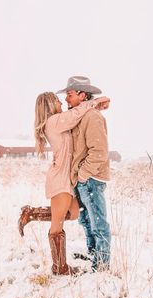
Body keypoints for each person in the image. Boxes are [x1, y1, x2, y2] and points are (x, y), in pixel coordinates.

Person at [18, 91, 110, 275]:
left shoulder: (59, 120)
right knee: (57, 224)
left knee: (73, 213)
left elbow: (78, 117)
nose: (61, 101)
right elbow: (76, 113)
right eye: (57, 100)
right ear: (49, 105)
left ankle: (32, 213)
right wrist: (96, 102)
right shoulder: (54, 121)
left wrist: (93, 107)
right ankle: (60, 267)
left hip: (66, 177)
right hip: (60, 177)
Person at [57, 76, 111, 272]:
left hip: (91, 179)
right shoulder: (80, 115)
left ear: (82, 95)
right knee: (87, 220)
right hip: (82, 180)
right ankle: (93, 255)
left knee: (98, 222)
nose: (66, 99)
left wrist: (83, 175)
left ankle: (102, 266)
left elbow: (99, 151)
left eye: (69, 95)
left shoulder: (92, 117)